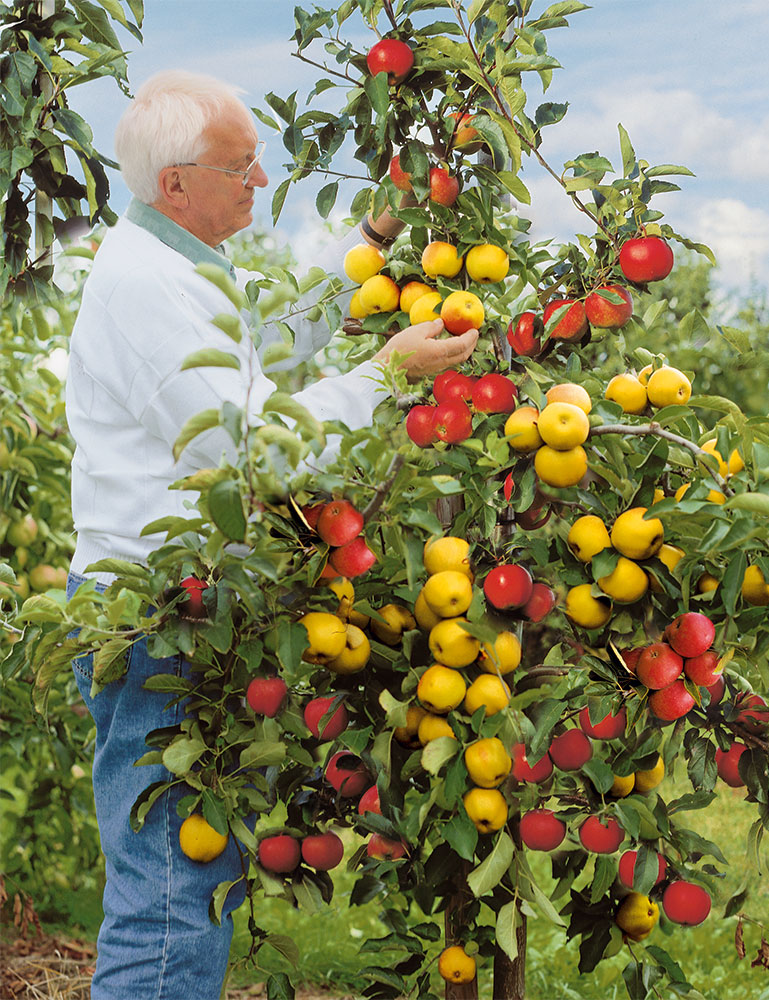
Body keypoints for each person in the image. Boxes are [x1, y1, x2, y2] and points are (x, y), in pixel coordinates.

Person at [65, 70, 477, 999]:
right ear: (176, 183)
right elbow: (255, 448)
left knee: (183, 879)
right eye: (241, 166)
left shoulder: (183, 265)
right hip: (156, 613)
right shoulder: (143, 287)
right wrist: (382, 375)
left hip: (187, 604)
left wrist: (369, 245)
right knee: (170, 894)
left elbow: (270, 348)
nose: (261, 180)